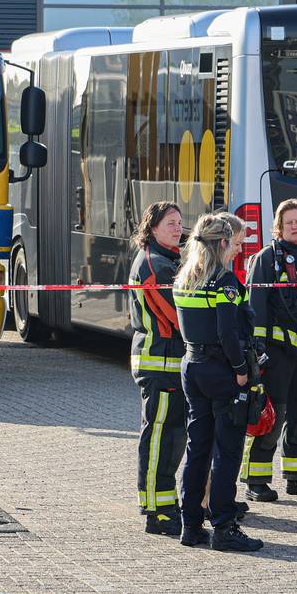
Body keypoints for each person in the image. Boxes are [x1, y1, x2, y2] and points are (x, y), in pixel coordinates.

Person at [174, 212, 263, 552]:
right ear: (223, 243)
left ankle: (191, 525)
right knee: (227, 453)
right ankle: (225, 527)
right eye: (233, 243)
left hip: (192, 366)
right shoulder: (224, 281)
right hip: (222, 371)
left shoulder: (184, 278)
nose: (236, 251)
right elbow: (228, 332)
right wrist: (241, 367)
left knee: (198, 448)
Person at [242, 199, 297, 501]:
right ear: (279, 227)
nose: (295, 226)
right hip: (276, 353)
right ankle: (256, 480)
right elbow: (255, 309)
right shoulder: (267, 259)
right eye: (289, 222)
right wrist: (257, 352)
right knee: (273, 415)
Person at [127, 201, 187, 536]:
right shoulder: (155, 265)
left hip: (171, 363)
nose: (178, 228)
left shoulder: (169, 260)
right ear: (152, 228)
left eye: (179, 222)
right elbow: (180, 319)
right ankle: (156, 510)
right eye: (170, 223)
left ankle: (164, 504)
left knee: (173, 436)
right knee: (160, 437)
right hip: (160, 361)